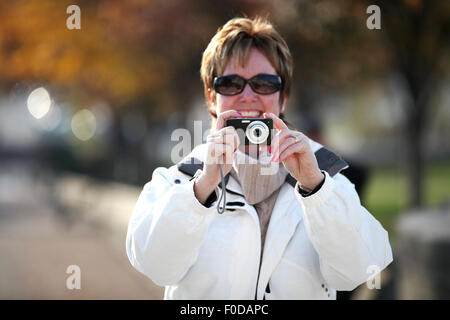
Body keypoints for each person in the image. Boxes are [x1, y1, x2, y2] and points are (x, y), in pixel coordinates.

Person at [126, 17, 393, 300]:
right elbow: (155, 265)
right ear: (211, 97)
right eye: (230, 84)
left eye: (264, 83)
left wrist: (316, 188)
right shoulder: (179, 179)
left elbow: (359, 268)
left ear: (284, 97)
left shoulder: (324, 175)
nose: (248, 96)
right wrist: (201, 190)